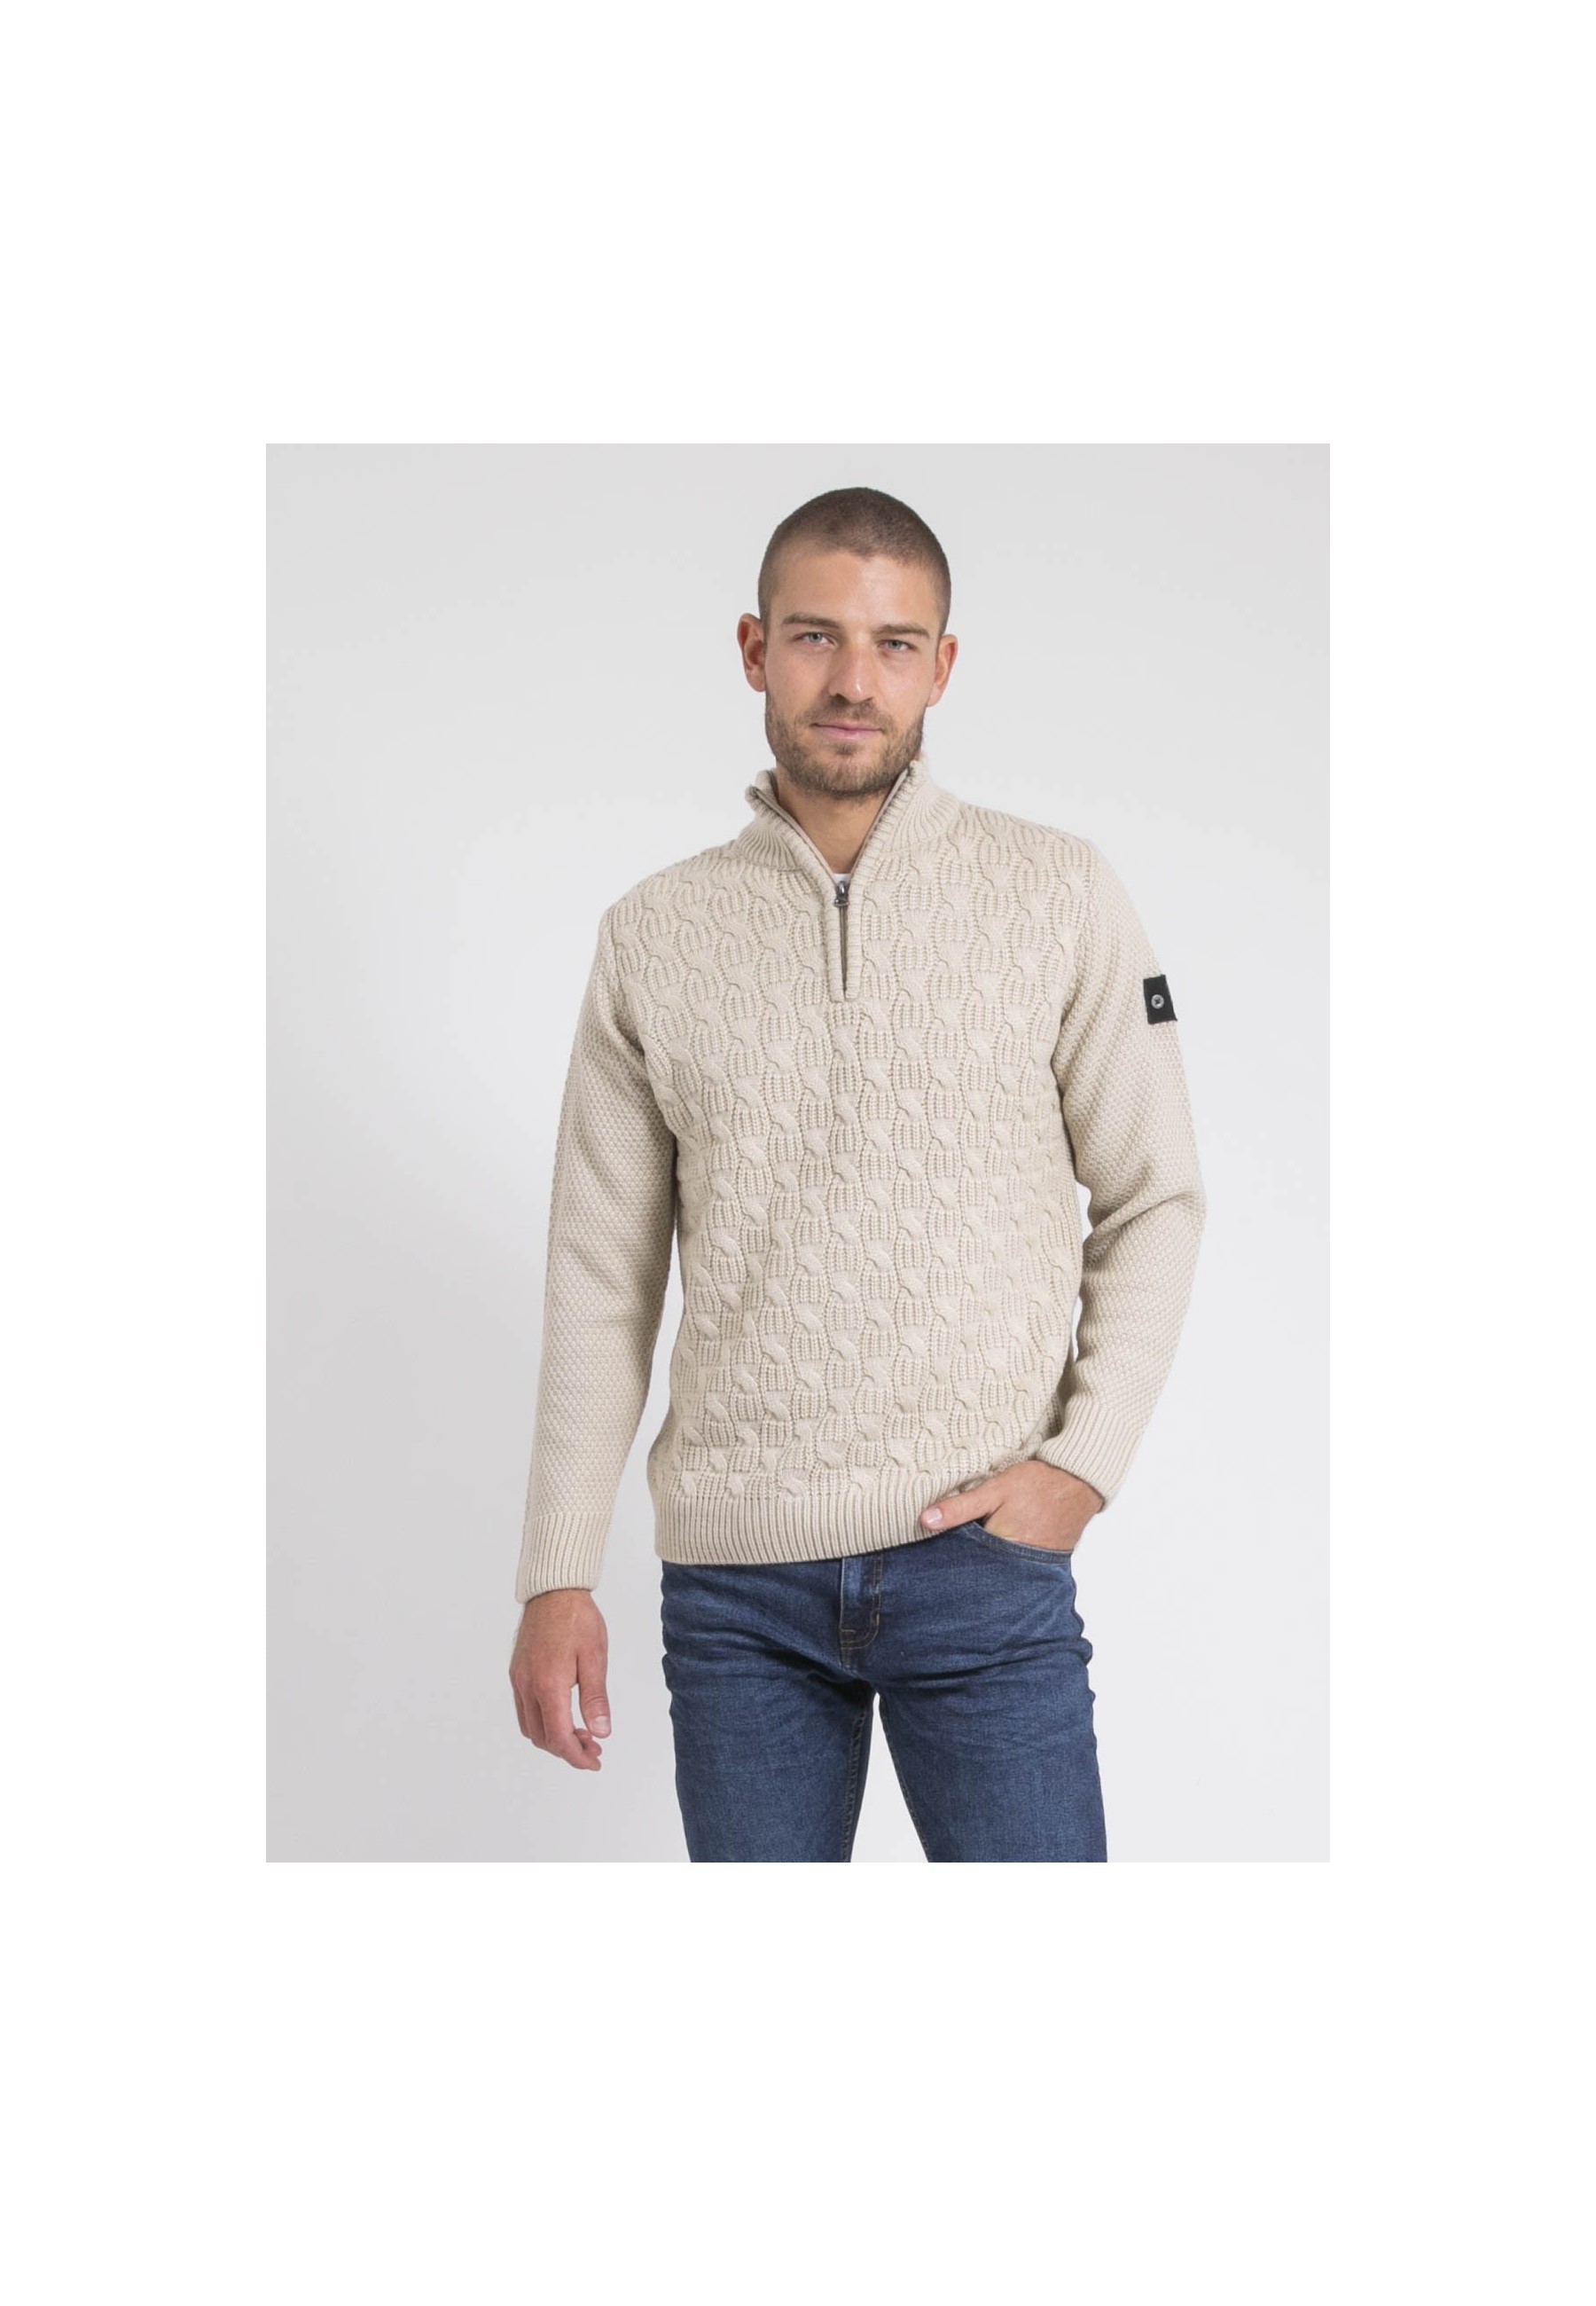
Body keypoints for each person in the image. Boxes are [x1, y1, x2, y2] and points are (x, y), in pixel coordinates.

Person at [508, 485, 1207, 1861]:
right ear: (754, 649)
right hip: (737, 1595)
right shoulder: (654, 934)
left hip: (984, 1568)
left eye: (893, 645)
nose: (852, 682)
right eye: (816, 636)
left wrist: (1080, 1466)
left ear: (942, 667)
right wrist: (556, 1572)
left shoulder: (1058, 893)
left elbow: (1155, 1197)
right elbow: (601, 1275)